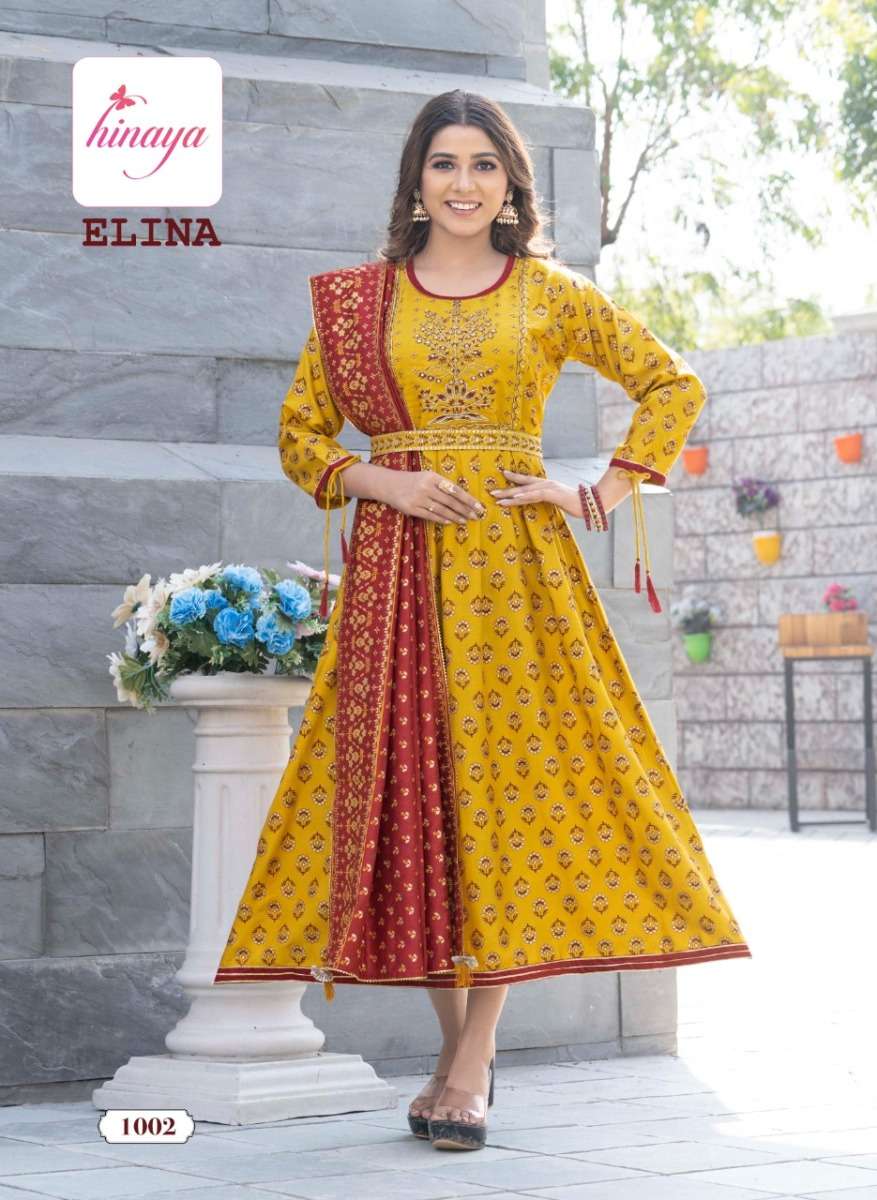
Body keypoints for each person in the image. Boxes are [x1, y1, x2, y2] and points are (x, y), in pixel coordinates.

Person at [212, 88, 752, 1151]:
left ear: (511, 186)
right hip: (397, 576)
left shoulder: (548, 293)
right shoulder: (360, 302)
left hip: (518, 584)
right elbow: (301, 433)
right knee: (416, 796)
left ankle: (468, 1062)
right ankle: (460, 1052)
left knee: (505, 798)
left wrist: (594, 492)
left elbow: (671, 384)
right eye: (444, 163)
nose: (463, 184)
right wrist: (384, 480)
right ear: (415, 181)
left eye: (483, 165)